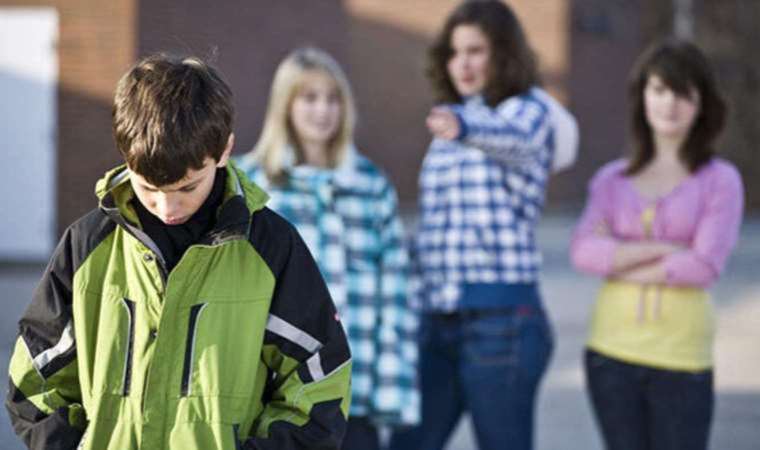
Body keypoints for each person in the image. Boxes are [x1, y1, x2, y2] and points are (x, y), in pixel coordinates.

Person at [5, 54, 352, 450]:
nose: (167, 208)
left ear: (224, 150)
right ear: (125, 157)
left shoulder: (271, 247)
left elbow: (319, 384)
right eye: (148, 188)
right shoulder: (87, 245)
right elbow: (35, 382)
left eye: (188, 187)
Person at [390, 2, 578, 450]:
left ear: (504, 53)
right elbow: (438, 229)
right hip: (438, 317)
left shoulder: (529, 111)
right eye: (455, 53)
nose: (463, 64)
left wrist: (462, 124)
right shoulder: (451, 127)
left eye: (476, 51)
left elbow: (514, 140)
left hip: (502, 320)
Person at [237, 47, 418, 450]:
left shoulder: (371, 185)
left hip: (355, 395)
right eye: (310, 97)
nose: (324, 110)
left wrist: (391, 393)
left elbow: (395, 295)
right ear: (285, 105)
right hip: (277, 397)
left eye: (333, 98)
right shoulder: (250, 184)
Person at [570, 39, 744, 450]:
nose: (669, 104)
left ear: (701, 103)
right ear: (642, 97)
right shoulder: (612, 180)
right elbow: (583, 252)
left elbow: (704, 267)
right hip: (610, 352)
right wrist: (667, 250)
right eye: (659, 90)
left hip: (681, 355)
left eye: (683, 93)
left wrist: (619, 258)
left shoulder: (720, 180)